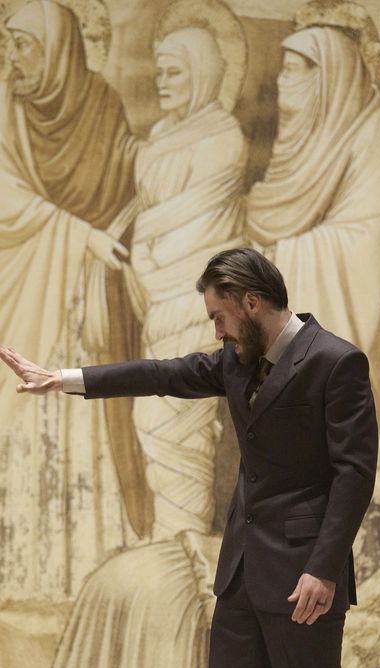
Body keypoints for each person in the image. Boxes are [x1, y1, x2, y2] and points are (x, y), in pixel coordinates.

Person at [0, 247, 378, 668]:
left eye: (220, 317)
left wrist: (323, 567)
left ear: (252, 303)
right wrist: (65, 379)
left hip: (303, 581)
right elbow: (163, 374)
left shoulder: (334, 362)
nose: (216, 331)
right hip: (241, 576)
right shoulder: (236, 360)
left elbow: (354, 473)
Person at [0, 0, 152, 604]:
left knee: (77, 430)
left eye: (26, 45)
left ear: (58, 48)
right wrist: (79, 237)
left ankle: (78, 577)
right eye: (11, 44)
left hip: (79, 307)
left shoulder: (103, 105)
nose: (15, 58)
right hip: (10, 295)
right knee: (12, 421)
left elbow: (127, 189)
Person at [246, 7, 380, 516]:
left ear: (329, 75)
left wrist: (276, 258)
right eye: (282, 68)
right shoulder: (305, 139)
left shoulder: (377, 130)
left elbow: (365, 249)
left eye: (294, 69)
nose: (281, 80)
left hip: (378, 343)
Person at [130, 21, 247, 540]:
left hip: (194, 304)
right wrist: (144, 261)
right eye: (158, 72)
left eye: (174, 72)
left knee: (182, 423)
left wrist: (151, 262)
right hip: (158, 300)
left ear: (201, 74)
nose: (162, 82)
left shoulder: (224, 138)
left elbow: (194, 230)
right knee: (151, 420)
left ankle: (185, 543)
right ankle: (171, 542)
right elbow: (147, 223)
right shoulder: (158, 138)